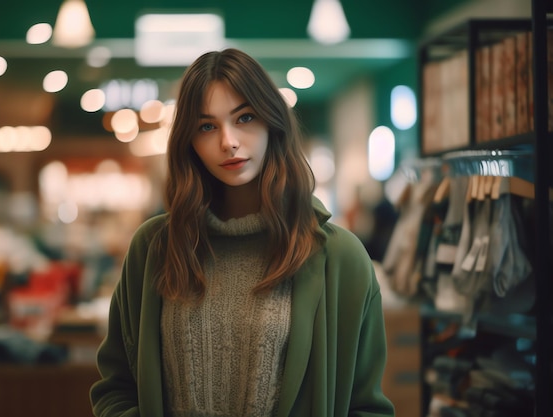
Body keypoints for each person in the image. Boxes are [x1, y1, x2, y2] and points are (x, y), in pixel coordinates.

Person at [90, 48, 395, 417]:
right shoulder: (155, 247)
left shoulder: (340, 257)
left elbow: (366, 407)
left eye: (245, 117)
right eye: (207, 126)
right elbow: (115, 389)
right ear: (189, 142)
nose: (228, 141)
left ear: (272, 122)